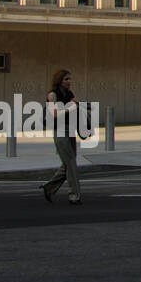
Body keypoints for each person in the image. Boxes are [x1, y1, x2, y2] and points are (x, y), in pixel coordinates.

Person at [41, 70, 83, 204]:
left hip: (70, 129)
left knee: (68, 163)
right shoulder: (52, 95)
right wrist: (71, 107)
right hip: (59, 130)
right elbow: (54, 113)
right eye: (66, 79)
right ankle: (74, 195)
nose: (69, 82)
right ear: (59, 80)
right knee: (71, 163)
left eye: (70, 79)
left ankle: (49, 187)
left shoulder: (69, 94)